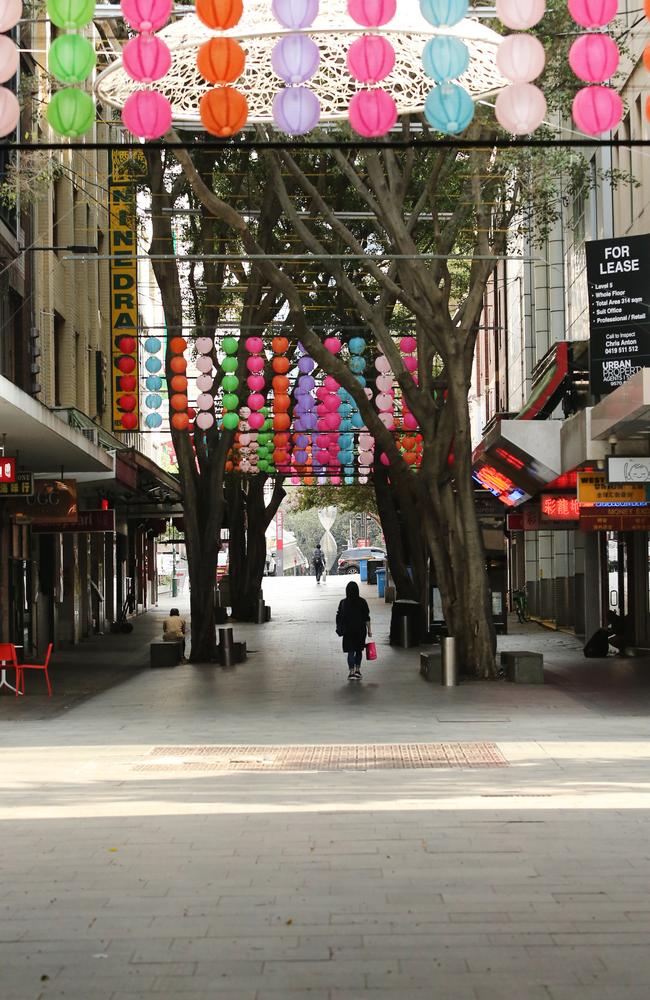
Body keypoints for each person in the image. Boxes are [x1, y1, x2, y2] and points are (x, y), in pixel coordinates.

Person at [336, 580, 372, 681]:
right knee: (359, 650)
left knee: (350, 651)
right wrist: (369, 630)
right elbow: (367, 617)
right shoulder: (362, 602)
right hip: (360, 631)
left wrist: (339, 627)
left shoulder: (343, 603)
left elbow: (339, 616)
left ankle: (351, 672)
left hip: (348, 631)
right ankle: (357, 670)